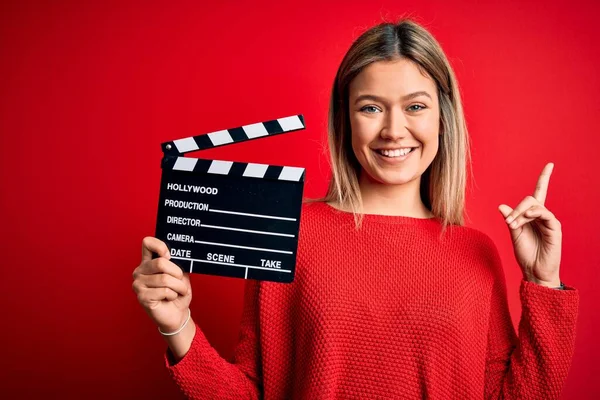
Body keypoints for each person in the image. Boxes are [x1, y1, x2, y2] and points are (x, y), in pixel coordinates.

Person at [132, 18, 579, 399]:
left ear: (442, 118)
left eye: (415, 106)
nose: (393, 129)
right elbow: (251, 392)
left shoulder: (475, 251)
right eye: (371, 108)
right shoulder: (294, 233)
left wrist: (544, 282)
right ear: (346, 120)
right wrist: (179, 327)